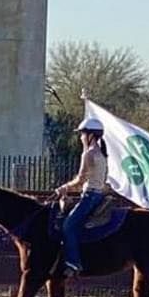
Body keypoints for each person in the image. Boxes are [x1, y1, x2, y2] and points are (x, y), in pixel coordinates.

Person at [55, 117, 109, 277]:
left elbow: (80, 180)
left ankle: (73, 262)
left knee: (68, 226)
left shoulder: (89, 154)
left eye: (82, 134)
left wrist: (63, 188)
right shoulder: (101, 154)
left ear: (90, 135)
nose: (80, 137)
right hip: (99, 195)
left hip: (89, 196)